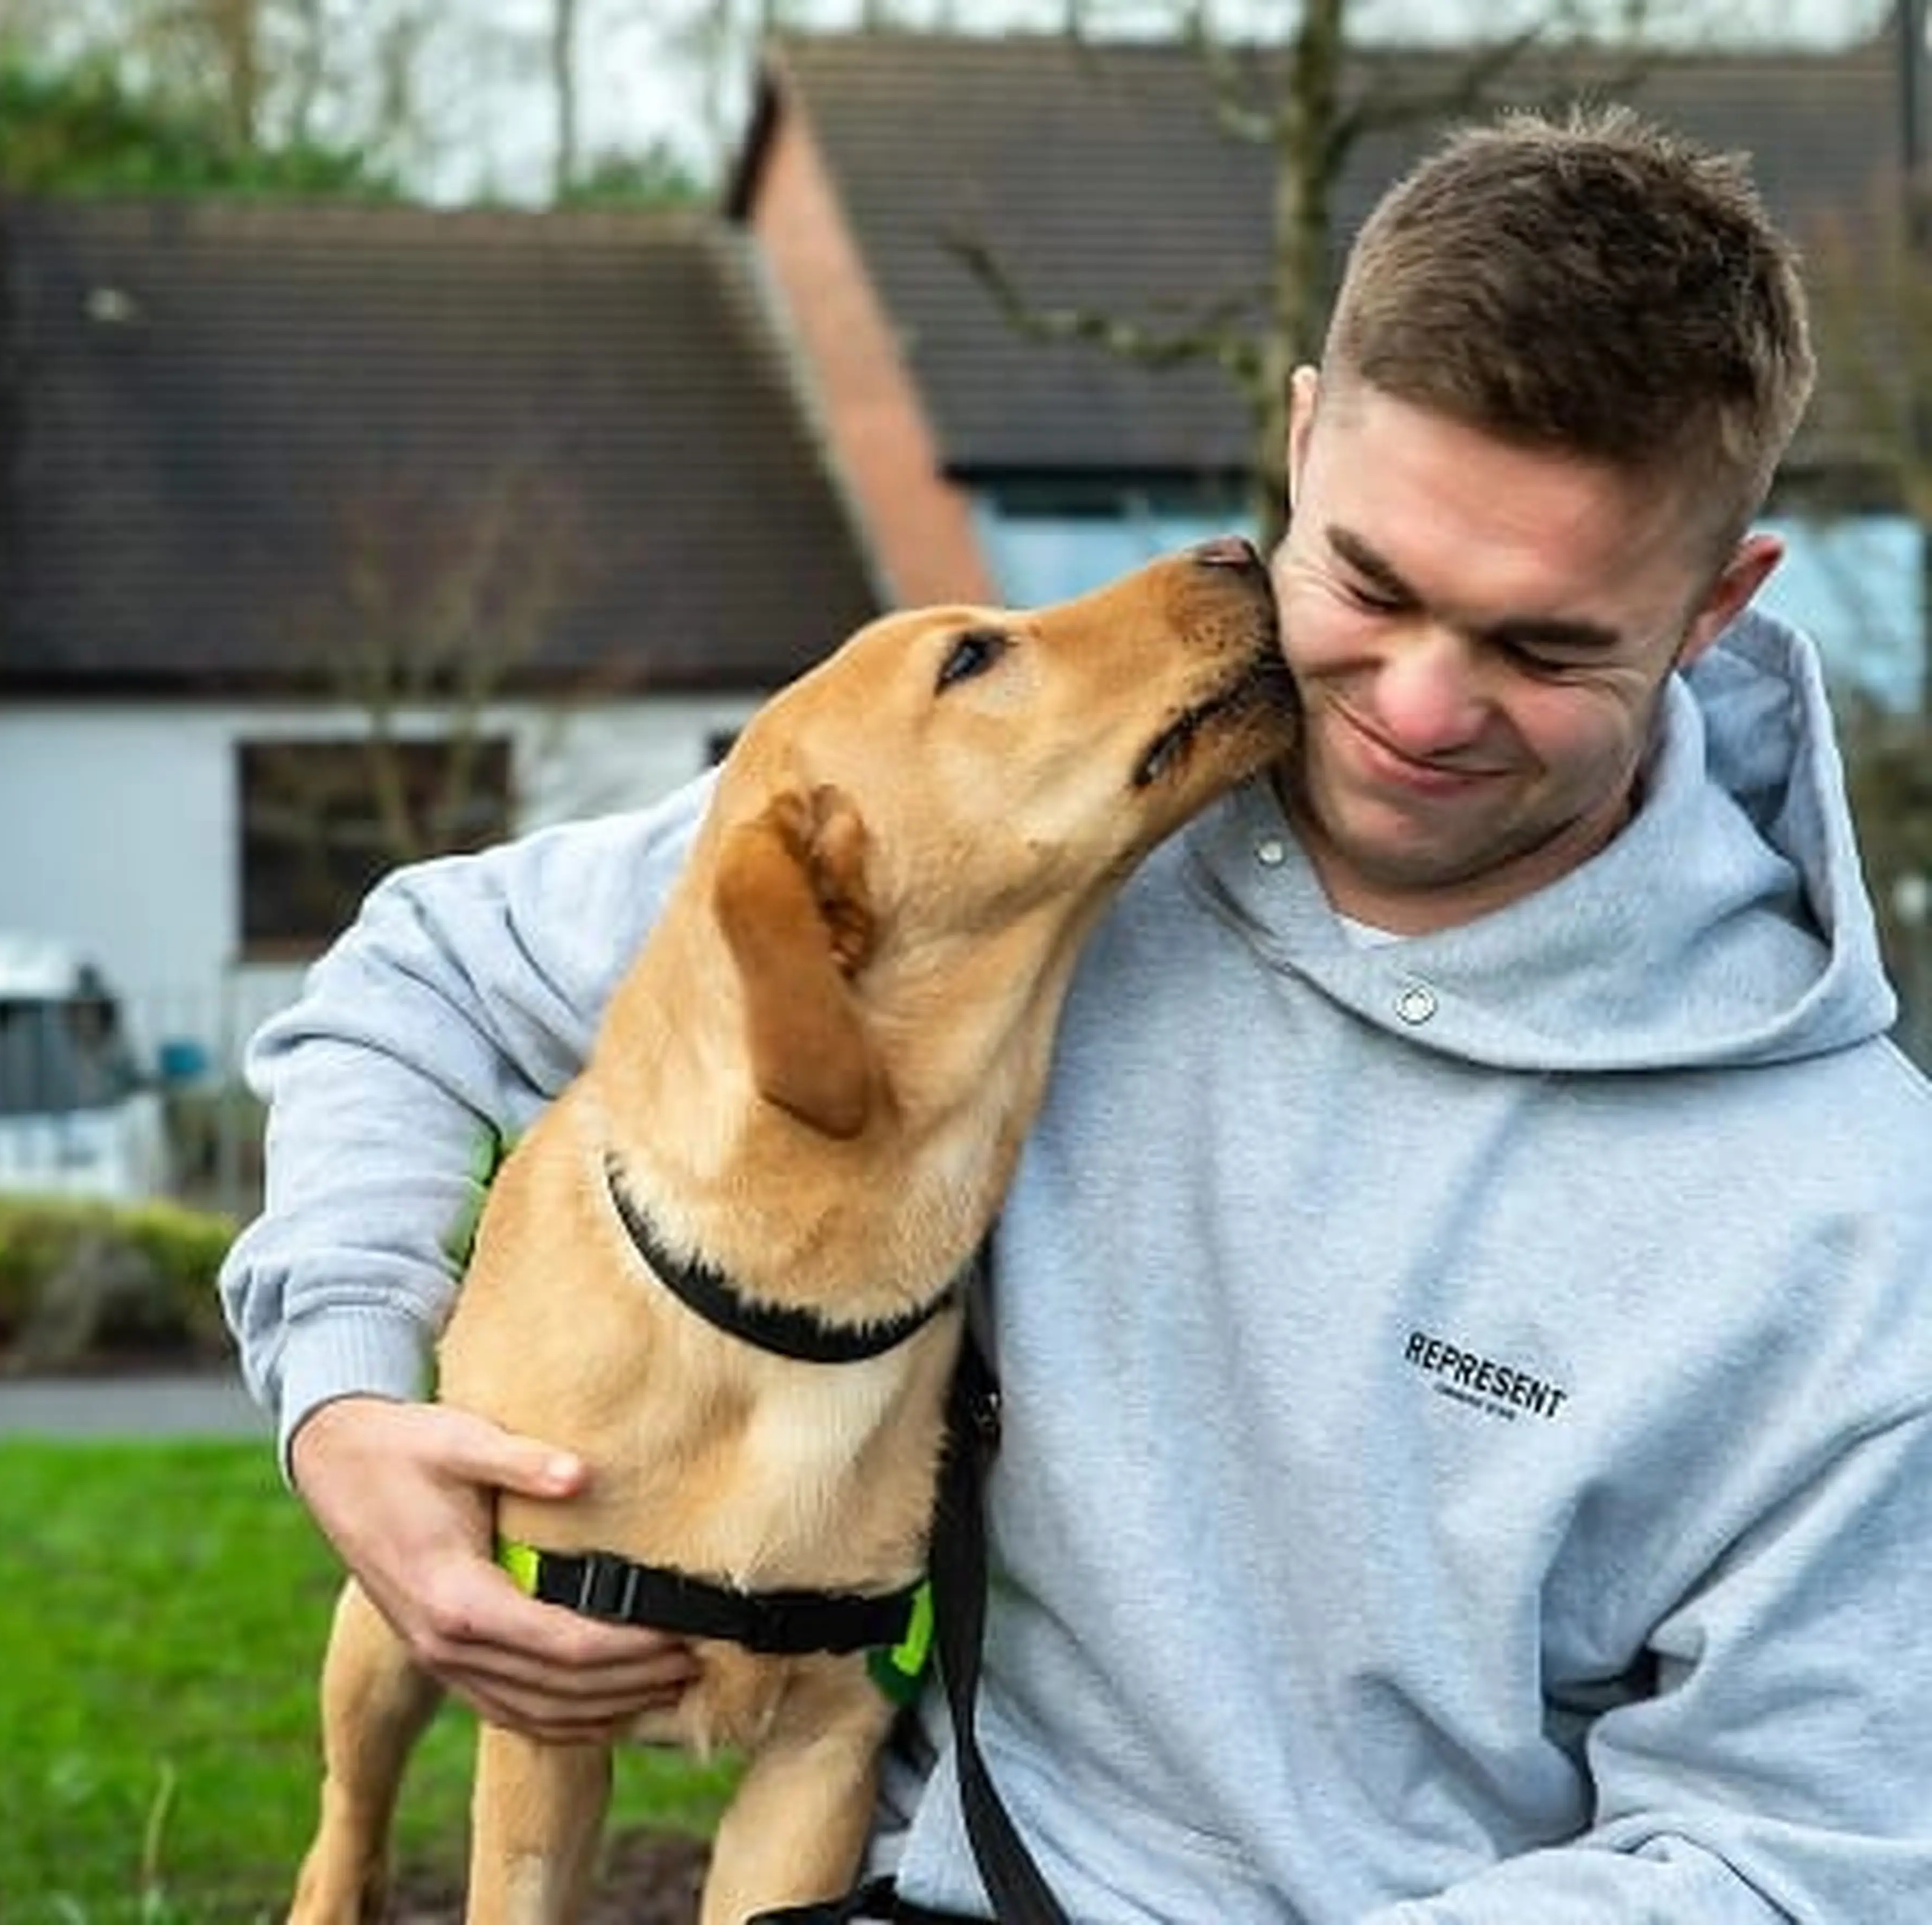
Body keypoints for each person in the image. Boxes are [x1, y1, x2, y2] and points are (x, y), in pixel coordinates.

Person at [221, 103, 1932, 1921]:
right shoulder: (1030, 831)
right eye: (1365, 581)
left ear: (1719, 604)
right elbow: (415, 973)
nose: (1419, 707)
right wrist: (339, 1394)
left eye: (1543, 645)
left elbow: (1798, 1854)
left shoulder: (1847, 1232)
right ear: (1298, 443)